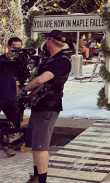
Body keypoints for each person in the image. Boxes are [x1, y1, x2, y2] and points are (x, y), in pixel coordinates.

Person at [23, 30, 71, 183]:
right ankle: (37, 176)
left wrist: (25, 89)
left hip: (48, 107)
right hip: (40, 105)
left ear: (51, 41)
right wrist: (29, 96)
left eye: (47, 39)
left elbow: (42, 79)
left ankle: (42, 180)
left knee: (41, 146)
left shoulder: (62, 60)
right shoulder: (51, 59)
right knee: (36, 145)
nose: (45, 43)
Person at [0, 37, 28, 130]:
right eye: (14, 48)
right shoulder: (1, 60)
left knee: (16, 126)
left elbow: (25, 79)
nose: (16, 51)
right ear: (8, 47)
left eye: (19, 49)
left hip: (12, 100)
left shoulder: (22, 63)